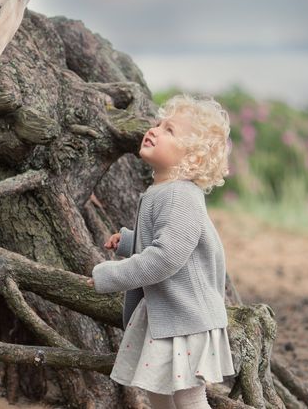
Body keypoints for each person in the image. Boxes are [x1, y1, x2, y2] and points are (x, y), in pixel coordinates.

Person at [89, 94, 235, 409]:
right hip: (168, 316)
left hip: (185, 319)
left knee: (188, 399)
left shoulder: (181, 195)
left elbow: (166, 258)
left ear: (193, 159)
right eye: (157, 124)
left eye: (169, 130)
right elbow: (169, 242)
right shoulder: (164, 191)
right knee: (157, 392)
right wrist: (130, 241)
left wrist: (110, 275)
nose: (154, 130)